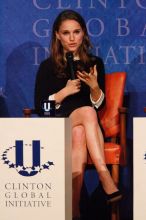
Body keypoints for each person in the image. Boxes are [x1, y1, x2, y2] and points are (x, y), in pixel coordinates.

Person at [34, 9, 122, 220]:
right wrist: (62, 93)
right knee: (86, 112)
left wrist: (94, 88)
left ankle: (73, 211)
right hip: (58, 125)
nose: (72, 38)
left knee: (81, 131)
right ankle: (104, 175)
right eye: (66, 33)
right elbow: (40, 107)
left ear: (83, 33)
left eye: (76, 32)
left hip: (85, 127)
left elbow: (99, 106)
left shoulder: (94, 63)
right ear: (57, 35)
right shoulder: (48, 66)